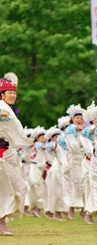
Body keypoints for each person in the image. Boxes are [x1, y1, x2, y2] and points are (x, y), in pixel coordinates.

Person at [0, 72, 33, 236]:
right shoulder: (1, 107)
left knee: (18, 186)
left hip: (9, 152)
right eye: (9, 92)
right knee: (5, 188)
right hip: (0, 153)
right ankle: (1, 222)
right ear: (2, 95)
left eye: (14, 92)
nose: (13, 95)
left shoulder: (7, 109)